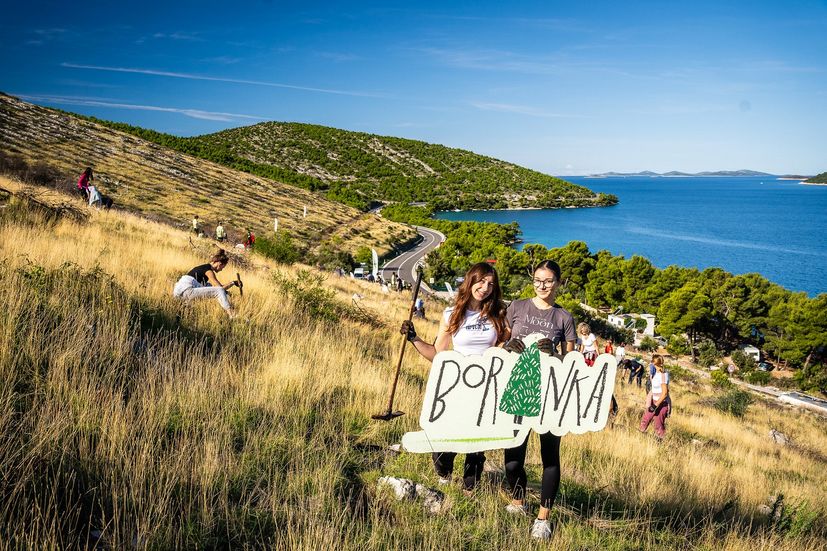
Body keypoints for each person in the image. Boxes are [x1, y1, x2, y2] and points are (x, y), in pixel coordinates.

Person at [400, 262, 508, 494]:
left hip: (486, 386)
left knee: (476, 442)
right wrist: (414, 338)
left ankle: (470, 488)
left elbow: (502, 346)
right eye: (481, 281)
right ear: (471, 280)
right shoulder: (452, 314)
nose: (485, 287)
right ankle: (444, 474)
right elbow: (438, 354)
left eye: (490, 284)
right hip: (456, 385)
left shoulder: (498, 314)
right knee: (444, 440)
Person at [499, 260, 577, 540]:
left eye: (548, 281)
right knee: (512, 457)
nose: (542, 285)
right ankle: (518, 502)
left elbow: (572, 361)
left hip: (550, 397)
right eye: (538, 280)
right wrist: (508, 346)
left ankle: (543, 518)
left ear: (558, 283)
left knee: (549, 457)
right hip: (518, 391)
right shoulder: (516, 307)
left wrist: (556, 356)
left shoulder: (564, 318)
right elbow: (499, 344)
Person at [172, 249, 239, 317]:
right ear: (219, 263)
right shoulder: (208, 271)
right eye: (222, 267)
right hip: (187, 291)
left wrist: (227, 292)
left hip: (179, 293)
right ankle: (232, 314)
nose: (221, 270)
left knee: (212, 287)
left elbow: (212, 289)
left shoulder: (203, 269)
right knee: (219, 290)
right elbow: (219, 288)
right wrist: (232, 283)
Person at [640, 355, 670, 439]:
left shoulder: (663, 375)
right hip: (654, 401)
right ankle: (639, 436)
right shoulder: (656, 373)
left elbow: (664, 393)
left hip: (661, 403)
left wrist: (655, 405)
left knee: (658, 424)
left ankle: (661, 442)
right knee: (645, 419)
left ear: (654, 363)